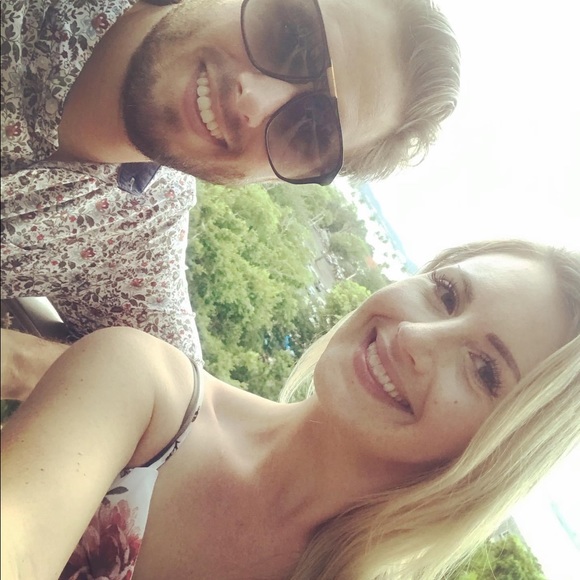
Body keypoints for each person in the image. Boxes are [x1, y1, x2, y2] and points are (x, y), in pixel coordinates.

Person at [3, 239, 579, 579]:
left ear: (497, 454)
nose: (414, 337)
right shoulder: (142, 386)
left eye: (483, 369)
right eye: (446, 293)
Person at [0, 0, 461, 374]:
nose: (254, 101)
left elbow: (181, 392)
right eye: (291, 35)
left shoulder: (137, 228)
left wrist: (26, 363)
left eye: (311, 132)